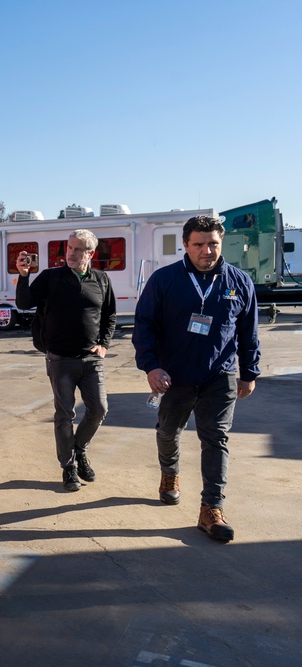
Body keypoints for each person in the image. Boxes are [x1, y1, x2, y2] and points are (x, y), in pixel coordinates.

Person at [133, 215, 260, 542]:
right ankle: (170, 474)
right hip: (173, 376)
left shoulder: (239, 281)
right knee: (168, 432)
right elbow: (144, 326)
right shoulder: (164, 280)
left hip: (220, 375)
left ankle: (211, 509)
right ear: (186, 245)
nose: (207, 250)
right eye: (199, 244)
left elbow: (248, 333)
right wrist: (151, 367)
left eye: (213, 244)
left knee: (216, 438)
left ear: (221, 243)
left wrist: (249, 372)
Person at [15, 230, 117, 492]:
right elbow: (24, 303)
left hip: (91, 358)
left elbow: (110, 316)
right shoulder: (51, 277)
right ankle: (69, 466)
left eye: (78, 249)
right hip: (60, 358)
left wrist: (103, 344)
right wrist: (23, 275)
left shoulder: (102, 280)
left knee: (99, 409)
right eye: (69, 248)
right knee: (65, 415)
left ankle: (80, 449)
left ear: (90, 254)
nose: (71, 253)